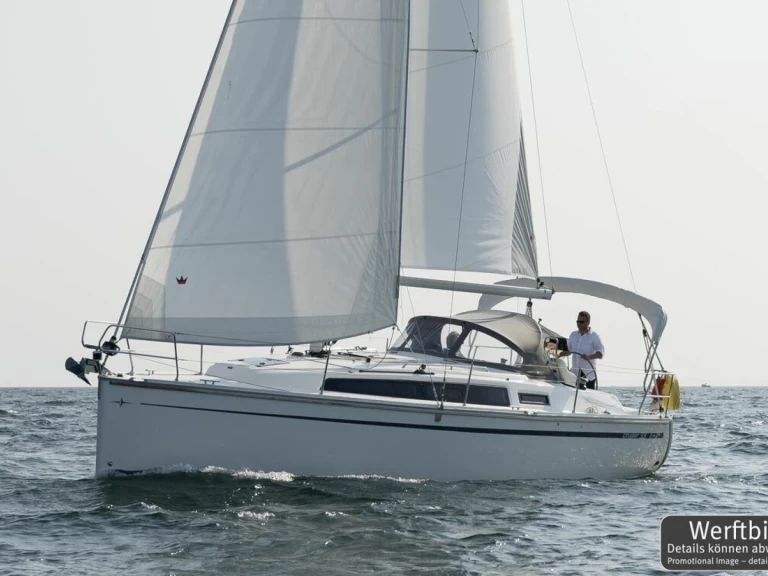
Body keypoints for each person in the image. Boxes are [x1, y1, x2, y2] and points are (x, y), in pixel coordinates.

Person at [559, 311, 604, 390]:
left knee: (588, 396)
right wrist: (560, 354)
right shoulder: (573, 335)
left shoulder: (594, 336)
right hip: (574, 374)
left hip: (588, 375)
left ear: (588, 322)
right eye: (578, 321)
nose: (579, 324)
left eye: (582, 322)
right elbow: (569, 351)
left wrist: (589, 357)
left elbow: (600, 353)